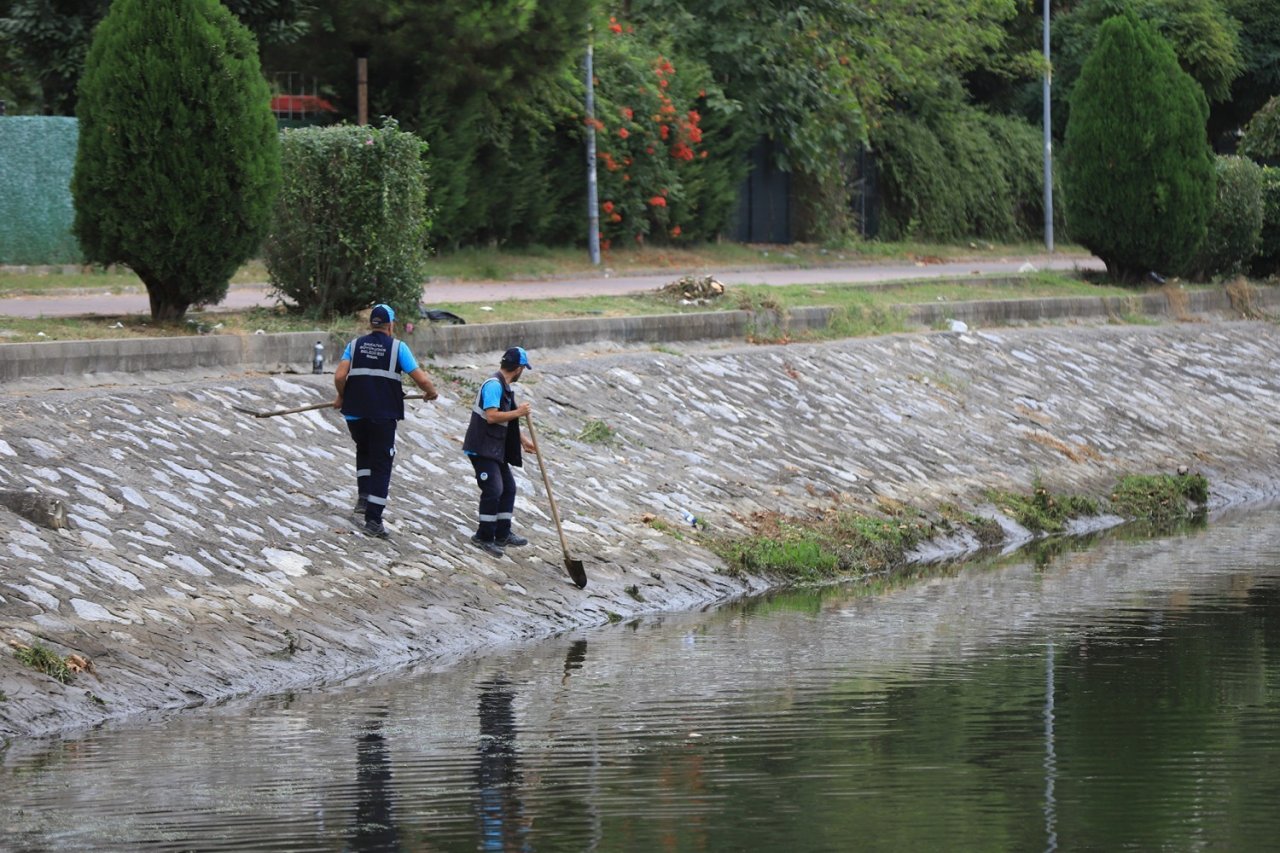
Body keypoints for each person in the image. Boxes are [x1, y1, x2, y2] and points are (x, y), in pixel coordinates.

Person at [333, 303, 438, 538]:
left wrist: (342, 395)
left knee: (364, 449)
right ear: (391, 326)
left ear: (372, 324)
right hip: (382, 415)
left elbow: (340, 375)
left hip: (355, 413)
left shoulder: (354, 345)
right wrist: (431, 392)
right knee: (381, 462)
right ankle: (373, 520)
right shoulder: (398, 348)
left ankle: (363, 498)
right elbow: (421, 379)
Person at [462, 346, 537, 557]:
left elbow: (509, 421)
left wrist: (523, 441)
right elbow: (492, 417)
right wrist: (519, 411)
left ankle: (502, 533)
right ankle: (484, 537)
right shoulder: (494, 386)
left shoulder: (505, 387)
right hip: (482, 447)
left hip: (496, 448)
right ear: (519, 368)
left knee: (509, 488)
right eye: (524, 368)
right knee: (494, 489)